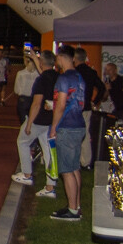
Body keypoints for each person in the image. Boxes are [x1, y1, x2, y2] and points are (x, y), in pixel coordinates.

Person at [49, 46, 87, 221]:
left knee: (66, 170)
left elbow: (61, 105)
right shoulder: (79, 77)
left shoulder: (63, 78)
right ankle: (76, 205)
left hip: (67, 126)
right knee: (74, 167)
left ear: (60, 57)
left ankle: (72, 210)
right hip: (78, 125)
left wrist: (54, 127)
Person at [12, 49, 58, 195]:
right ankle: (50, 185)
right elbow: (44, 71)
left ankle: (27, 174)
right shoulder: (57, 76)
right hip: (50, 119)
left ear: (42, 63)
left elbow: (36, 103)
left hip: (39, 119)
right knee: (47, 149)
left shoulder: (41, 79)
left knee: (22, 141)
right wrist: (35, 58)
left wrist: (30, 123)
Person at [73, 47, 105, 169]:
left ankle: (75, 160)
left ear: (75, 58)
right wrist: (94, 102)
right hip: (86, 107)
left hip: (75, 107)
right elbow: (102, 88)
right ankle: (86, 162)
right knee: (85, 134)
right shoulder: (91, 72)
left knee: (73, 134)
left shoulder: (74, 72)